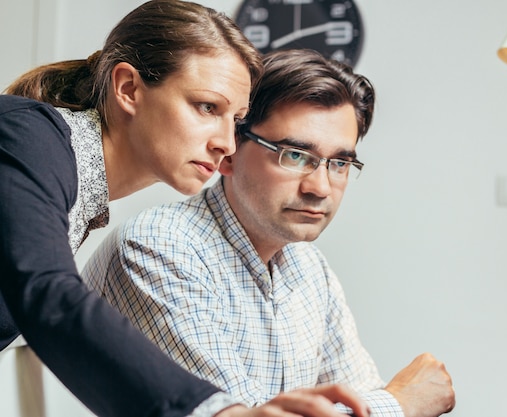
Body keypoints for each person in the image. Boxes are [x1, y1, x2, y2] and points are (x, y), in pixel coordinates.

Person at [0, 1, 370, 417]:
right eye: (207, 107)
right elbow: (47, 293)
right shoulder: (28, 131)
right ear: (128, 89)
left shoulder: (66, 178)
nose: (227, 143)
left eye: (236, 119)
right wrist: (223, 413)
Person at [82, 49, 456, 417]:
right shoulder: (159, 248)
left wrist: (386, 403)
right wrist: (401, 403)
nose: (321, 188)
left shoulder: (308, 268)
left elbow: (358, 395)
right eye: (294, 155)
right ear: (229, 151)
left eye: (339, 163)